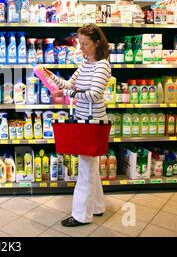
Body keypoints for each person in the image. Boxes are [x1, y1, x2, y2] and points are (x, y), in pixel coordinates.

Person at [44, 24, 112, 227]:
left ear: (97, 43)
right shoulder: (86, 62)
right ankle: (98, 207)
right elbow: (69, 85)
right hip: (83, 120)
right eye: (79, 43)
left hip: (93, 122)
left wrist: (66, 94)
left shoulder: (102, 65)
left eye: (84, 44)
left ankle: (81, 215)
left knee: (86, 169)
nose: (81, 48)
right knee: (90, 167)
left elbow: (93, 94)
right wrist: (50, 76)